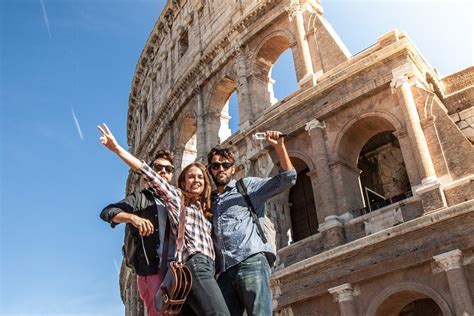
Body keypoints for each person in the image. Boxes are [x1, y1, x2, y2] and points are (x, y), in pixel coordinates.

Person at [98, 123, 230, 316]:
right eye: (191, 177)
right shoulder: (177, 198)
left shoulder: (204, 209)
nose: (196, 180)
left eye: (201, 177)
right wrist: (117, 149)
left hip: (204, 268)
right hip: (192, 265)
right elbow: (146, 172)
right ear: (182, 182)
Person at [207, 131, 297, 316]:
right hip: (224, 271)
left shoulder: (246, 187)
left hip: (251, 261)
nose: (221, 169)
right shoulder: (209, 201)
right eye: (216, 166)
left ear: (233, 169)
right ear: (210, 170)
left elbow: (288, 178)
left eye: (226, 165)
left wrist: (279, 146)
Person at [100, 150, 176, 316]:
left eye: (168, 169)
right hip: (152, 270)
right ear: (149, 172)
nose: (163, 172)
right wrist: (132, 218)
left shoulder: (176, 199)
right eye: (158, 167)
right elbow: (107, 212)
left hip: (176, 270)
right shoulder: (139, 198)